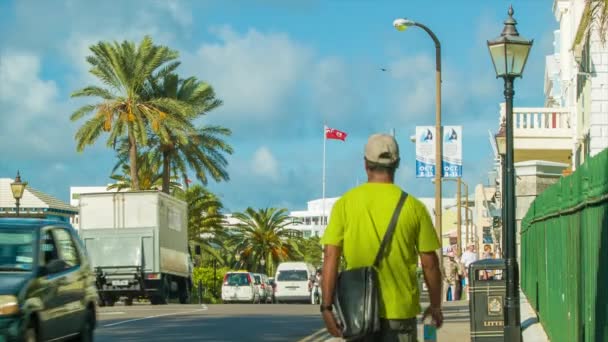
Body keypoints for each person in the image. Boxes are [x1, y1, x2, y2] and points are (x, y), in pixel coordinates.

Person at [320, 133, 444, 341]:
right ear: (397, 165)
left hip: (358, 309)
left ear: (365, 164)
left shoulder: (345, 204)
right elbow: (430, 264)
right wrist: (435, 306)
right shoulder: (414, 207)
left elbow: (330, 256)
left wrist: (326, 307)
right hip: (400, 311)